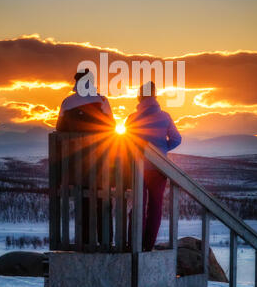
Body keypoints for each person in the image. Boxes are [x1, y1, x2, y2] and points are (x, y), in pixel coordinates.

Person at [56, 68, 115, 245]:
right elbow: (112, 127)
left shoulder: (67, 103)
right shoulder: (102, 100)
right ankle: (106, 241)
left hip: (76, 163)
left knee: (82, 202)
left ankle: (84, 242)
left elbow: (60, 129)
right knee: (103, 201)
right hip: (100, 162)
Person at [126, 81, 181, 251]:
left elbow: (125, 141)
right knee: (155, 207)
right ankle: (148, 245)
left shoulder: (132, 118)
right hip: (159, 168)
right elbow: (177, 139)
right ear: (155, 96)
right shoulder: (165, 117)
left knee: (138, 206)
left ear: (139, 96)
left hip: (138, 169)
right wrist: (162, 150)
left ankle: (134, 243)